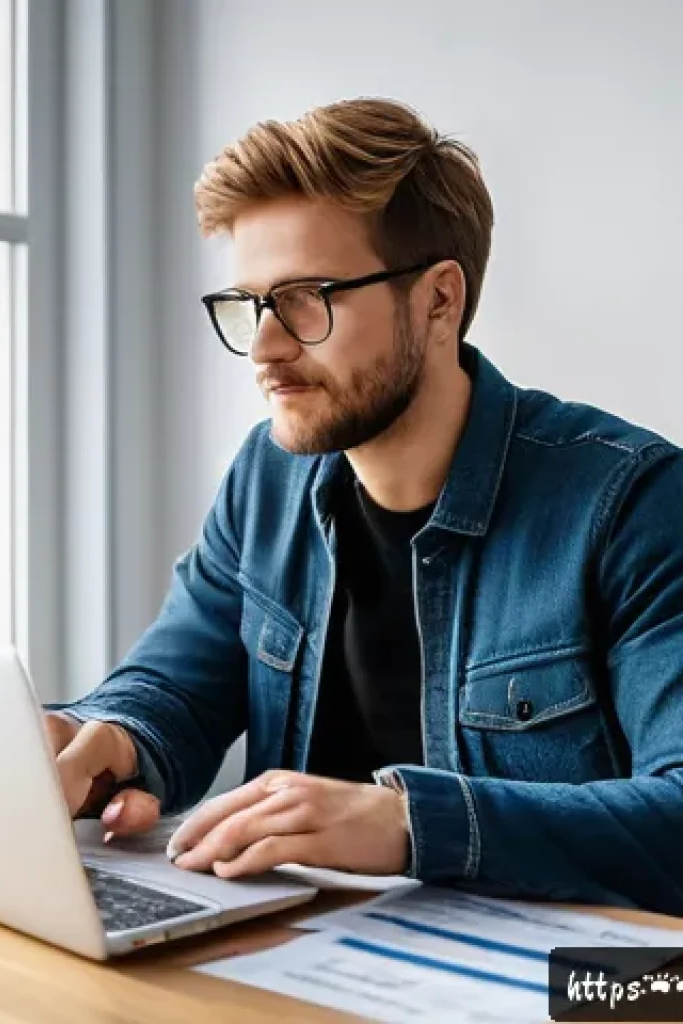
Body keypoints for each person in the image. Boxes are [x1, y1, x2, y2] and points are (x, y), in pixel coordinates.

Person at [45, 97, 683, 914]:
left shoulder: (633, 504)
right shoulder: (267, 476)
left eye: (307, 298)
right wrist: (109, 737)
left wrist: (411, 824)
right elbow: (177, 682)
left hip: (570, 975)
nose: (266, 348)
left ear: (439, 300)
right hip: (297, 954)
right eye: (251, 304)